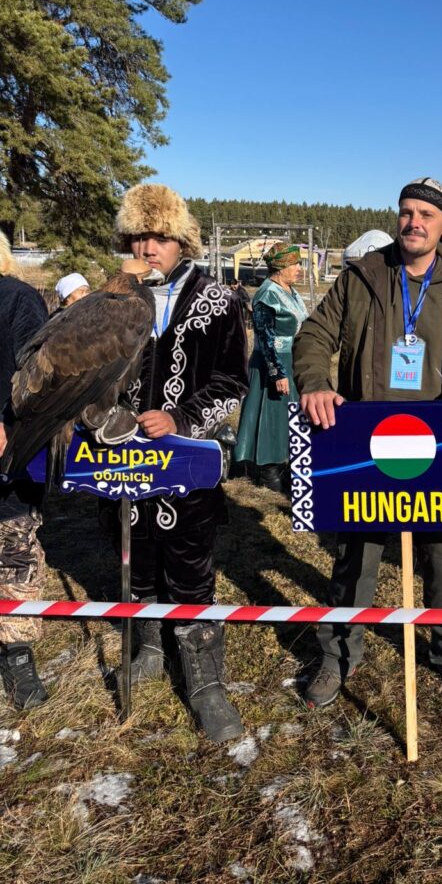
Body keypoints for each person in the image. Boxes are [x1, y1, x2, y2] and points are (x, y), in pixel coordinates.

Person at [293, 177, 442, 709]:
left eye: (426, 214)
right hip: (367, 441)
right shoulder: (363, 277)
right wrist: (316, 382)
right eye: (406, 211)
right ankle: (339, 655)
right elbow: (314, 336)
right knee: (356, 558)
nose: (413, 222)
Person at [106, 184, 249, 742]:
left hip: (186, 463)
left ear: (181, 241)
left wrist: (181, 419)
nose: (148, 248)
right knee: (135, 555)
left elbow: (231, 382)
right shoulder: (115, 300)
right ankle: (148, 645)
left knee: (190, 566)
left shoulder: (217, 300)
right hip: (122, 459)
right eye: (139, 237)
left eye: (160, 237)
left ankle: (205, 680)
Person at [0, 231, 50, 709]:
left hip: (8, 451)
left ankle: (15, 651)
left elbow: (37, 376)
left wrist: (7, 423)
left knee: (13, 547)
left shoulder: (17, 298)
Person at [233, 243, 307, 493]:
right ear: (280, 267)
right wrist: (277, 372)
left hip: (290, 359)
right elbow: (264, 336)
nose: (299, 269)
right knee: (271, 416)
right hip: (271, 364)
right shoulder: (267, 294)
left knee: (287, 416)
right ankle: (268, 470)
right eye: (294, 264)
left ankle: (284, 464)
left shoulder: (290, 291)